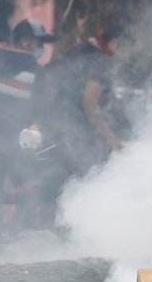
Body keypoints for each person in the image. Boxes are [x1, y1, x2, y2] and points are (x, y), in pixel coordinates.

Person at [0, 18, 52, 239]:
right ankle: (19, 236)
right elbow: (43, 110)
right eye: (38, 43)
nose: (41, 49)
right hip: (19, 145)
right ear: (25, 42)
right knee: (30, 187)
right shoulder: (36, 71)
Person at [37, 24, 125, 176]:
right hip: (75, 130)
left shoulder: (79, 50)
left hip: (52, 123)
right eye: (125, 50)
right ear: (114, 43)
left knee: (59, 177)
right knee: (84, 175)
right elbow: (89, 104)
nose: (123, 56)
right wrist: (111, 139)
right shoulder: (101, 62)